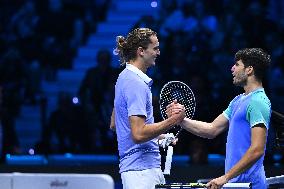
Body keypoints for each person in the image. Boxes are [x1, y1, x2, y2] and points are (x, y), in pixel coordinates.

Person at [167, 48, 271, 189]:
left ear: (249, 70)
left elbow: (257, 149)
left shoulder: (258, 101)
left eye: (237, 65)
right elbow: (212, 129)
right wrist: (180, 120)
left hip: (251, 185)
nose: (232, 68)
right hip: (236, 184)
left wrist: (225, 177)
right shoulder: (238, 100)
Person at [110, 28, 185, 189]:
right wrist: (173, 120)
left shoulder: (123, 77)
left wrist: (160, 137)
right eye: (155, 48)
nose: (158, 52)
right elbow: (138, 134)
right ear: (141, 51)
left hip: (136, 171)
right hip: (142, 172)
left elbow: (116, 124)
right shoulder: (135, 83)